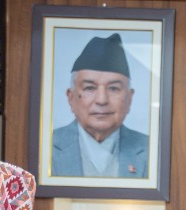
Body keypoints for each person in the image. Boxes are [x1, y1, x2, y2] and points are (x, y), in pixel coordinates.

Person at [51, 32, 149, 179]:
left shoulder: (152, 150)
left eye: (113, 88)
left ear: (129, 99)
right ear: (71, 98)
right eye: (90, 88)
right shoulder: (45, 147)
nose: (102, 100)